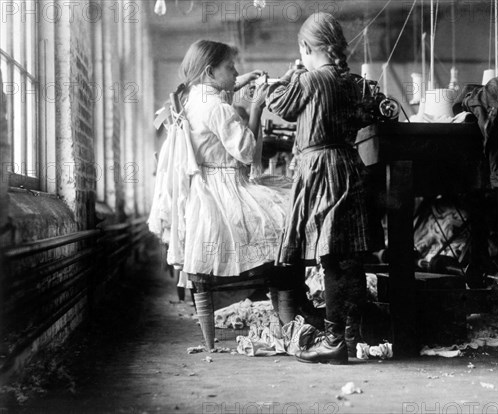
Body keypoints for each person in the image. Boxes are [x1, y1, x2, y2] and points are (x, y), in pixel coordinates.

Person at [149, 40, 292, 349]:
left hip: (202, 191)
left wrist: (247, 79)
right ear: (210, 71)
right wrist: (257, 106)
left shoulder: (192, 98)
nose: (236, 72)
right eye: (231, 67)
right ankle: (294, 307)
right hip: (225, 191)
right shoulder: (217, 107)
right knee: (288, 218)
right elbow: (247, 152)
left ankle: (217, 337)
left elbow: (223, 89)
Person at [266, 12, 382, 364]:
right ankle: (347, 337)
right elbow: (373, 112)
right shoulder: (356, 83)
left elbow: (277, 105)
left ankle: (333, 341)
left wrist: (288, 76)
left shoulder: (310, 80)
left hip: (320, 169)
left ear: (305, 47)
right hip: (348, 165)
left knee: (331, 256)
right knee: (349, 259)